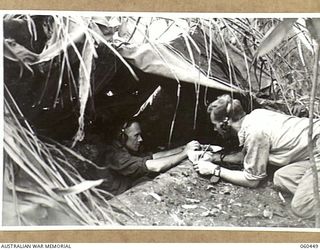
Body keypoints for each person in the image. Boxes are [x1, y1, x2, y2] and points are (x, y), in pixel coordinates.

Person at [196, 94, 320, 218]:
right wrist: (214, 158)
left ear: (224, 124)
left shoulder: (255, 133)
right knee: (281, 177)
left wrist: (214, 170)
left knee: (301, 207)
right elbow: (248, 156)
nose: (214, 129)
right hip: (314, 151)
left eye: (215, 125)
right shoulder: (257, 115)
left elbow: (252, 180)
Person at [96, 119, 200, 195]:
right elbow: (155, 166)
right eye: (136, 135)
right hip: (113, 200)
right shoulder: (115, 156)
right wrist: (184, 153)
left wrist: (183, 148)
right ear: (122, 137)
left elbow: (152, 157)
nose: (140, 139)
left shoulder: (123, 149)